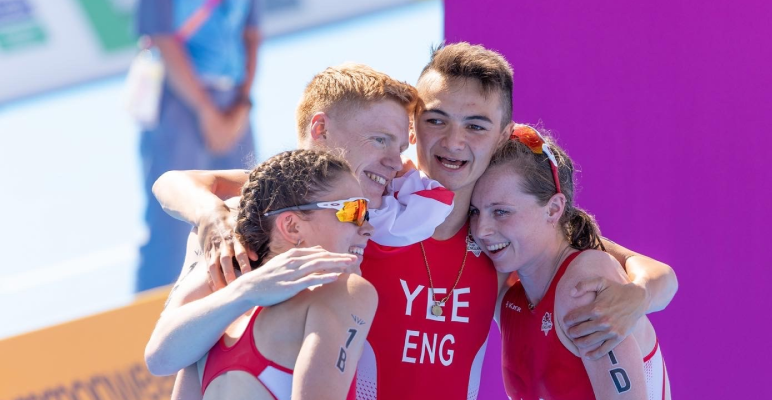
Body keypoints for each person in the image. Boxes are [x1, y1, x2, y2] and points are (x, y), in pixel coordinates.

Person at [146, 43, 678, 399]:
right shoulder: (356, 202)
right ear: (414, 127)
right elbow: (185, 182)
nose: (453, 141)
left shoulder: (492, 228)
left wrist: (643, 293)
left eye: (475, 126)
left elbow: (640, 267)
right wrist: (210, 214)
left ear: (502, 134)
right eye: (435, 121)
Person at [471, 124, 670, 399]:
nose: (481, 230)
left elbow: (663, 276)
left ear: (553, 209)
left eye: (501, 212)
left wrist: (644, 293)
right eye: (474, 211)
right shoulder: (509, 296)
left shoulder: (584, 284)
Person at [169, 149, 377, 400]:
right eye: (353, 211)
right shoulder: (344, 290)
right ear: (292, 226)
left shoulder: (210, 326)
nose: (368, 227)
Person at [135, 0, 261, 291]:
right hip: (178, 104)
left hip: (232, 105)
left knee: (248, 204)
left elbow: (251, 35)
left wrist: (242, 104)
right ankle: (153, 312)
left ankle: (245, 293)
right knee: (172, 219)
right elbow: (163, 39)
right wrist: (207, 111)